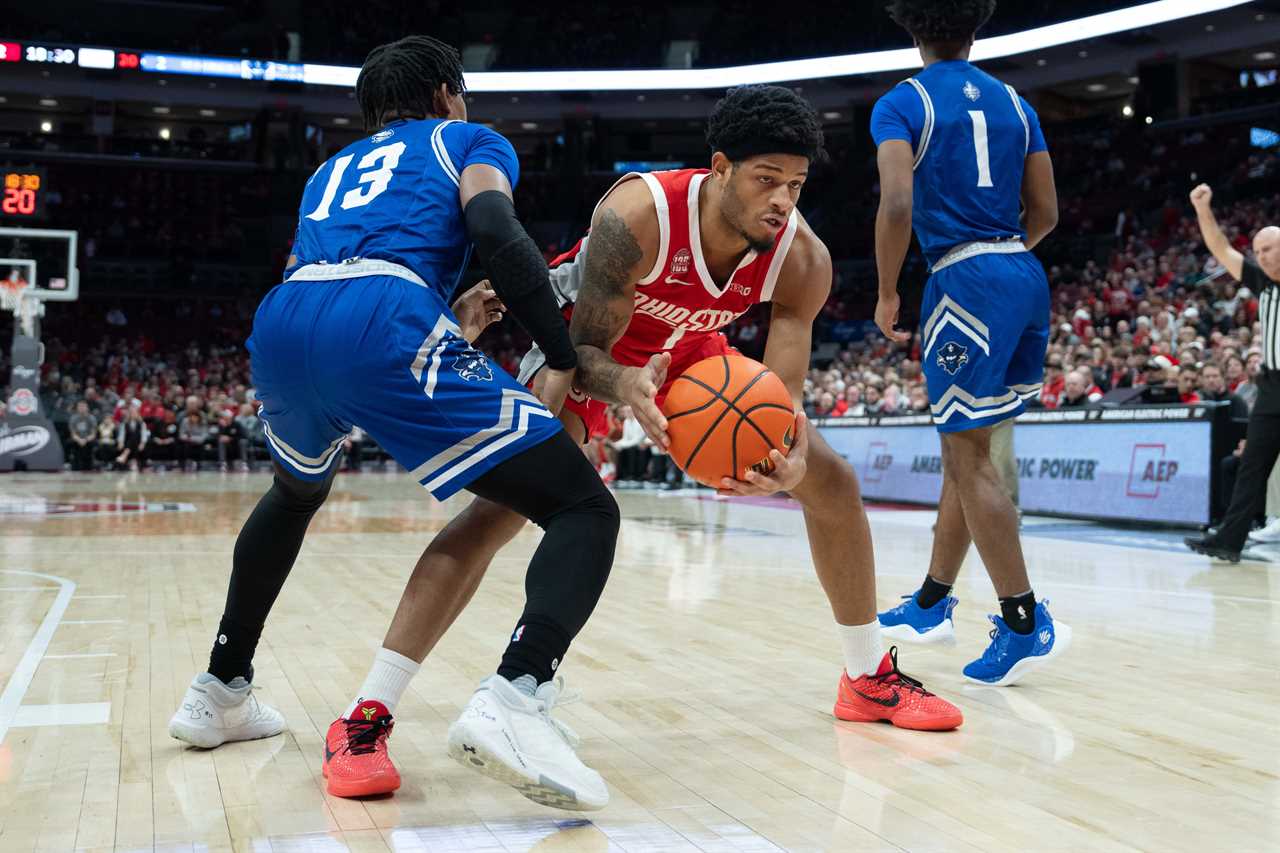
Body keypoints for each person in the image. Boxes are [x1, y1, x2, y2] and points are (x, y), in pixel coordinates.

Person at [329, 82, 964, 802]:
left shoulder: (802, 259)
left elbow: (782, 394)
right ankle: (368, 713)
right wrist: (624, 386)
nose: (783, 199)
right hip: (579, 347)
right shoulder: (637, 216)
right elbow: (583, 349)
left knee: (831, 480)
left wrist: (781, 455)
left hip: (690, 357)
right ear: (719, 167)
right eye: (765, 179)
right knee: (503, 509)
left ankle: (864, 675)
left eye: (795, 183)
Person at [167, 35, 621, 813]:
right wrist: (561, 350)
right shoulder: (466, 138)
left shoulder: (327, 170)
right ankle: (518, 692)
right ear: (448, 92)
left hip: (285, 319)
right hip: (382, 317)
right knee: (582, 506)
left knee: (293, 494)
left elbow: (341, 269)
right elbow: (495, 229)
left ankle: (220, 689)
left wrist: (441, 318)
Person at [872, 0, 1070, 685]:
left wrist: (889, 290)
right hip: (1023, 269)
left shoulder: (902, 102)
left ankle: (1023, 620)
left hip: (964, 280)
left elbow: (897, 204)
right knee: (971, 450)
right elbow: (1046, 211)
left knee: (967, 456)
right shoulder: (1016, 102)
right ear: (976, 24)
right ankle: (932, 600)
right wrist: (1006, 258)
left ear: (912, 27)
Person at [1184, 184, 1279, 562]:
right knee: (1251, 467)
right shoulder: (1261, 281)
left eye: (1269, 249)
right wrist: (1203, 209)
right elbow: (1221, 249)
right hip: (1271, 386)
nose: (1262, 257)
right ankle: (1228, 540)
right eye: (1258, 252)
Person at [67, 401, 97, 471]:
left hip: (88, 439)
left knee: (91, 444)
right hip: (77, 439)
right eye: (80, 407)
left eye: (83, 406)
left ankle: (89, 466)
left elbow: (93, 434)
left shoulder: (92, 418)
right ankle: (71, 464)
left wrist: (85, 440)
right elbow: (73, 434)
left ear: (87, 408)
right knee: (70, 443)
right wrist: (79, 440)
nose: (82, 408)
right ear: (77, 408)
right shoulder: (73, 418)